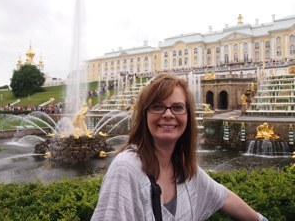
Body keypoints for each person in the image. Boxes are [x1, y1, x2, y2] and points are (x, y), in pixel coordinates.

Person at [91, 74, 267, 221]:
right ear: (145, 114)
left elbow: (223, 196)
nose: (168, 114)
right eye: (157, 106)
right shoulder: (126, 168)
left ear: (188, 116)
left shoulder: (183, 168)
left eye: (177, 107)